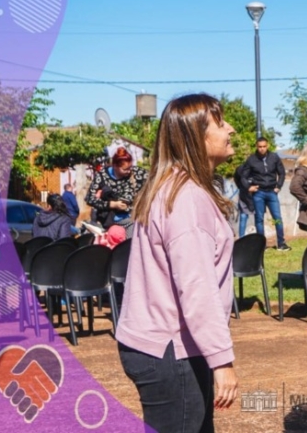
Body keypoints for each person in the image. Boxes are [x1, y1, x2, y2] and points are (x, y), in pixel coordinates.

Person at [115, 93, 239, 432]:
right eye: (220, 122)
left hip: (159, 343)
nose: (230, 128)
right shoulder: (187, 199)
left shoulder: (172, 188)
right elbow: (196, 289)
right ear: (196, 136)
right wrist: (221, 360)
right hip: (171, 347)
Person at [238, 137, 290, 251]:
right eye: (260, 147)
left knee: (277, 218)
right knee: (259, 219)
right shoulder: (251, 159)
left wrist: (279, 186)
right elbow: (243, 176)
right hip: (259, 193)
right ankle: (262, 245)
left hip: (272, 192)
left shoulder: (274, 157)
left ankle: (281, 243)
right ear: (256, 147)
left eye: (264, 146)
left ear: (268, 146)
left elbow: (281, 173)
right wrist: (249, 187)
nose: (262, 149)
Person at [85, 147, 148, 232]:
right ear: (115, 166)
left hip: (132, 218)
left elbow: (154, 179)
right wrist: (112, 204)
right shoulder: (102, 175)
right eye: (125, 169)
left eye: (130, 167)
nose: (129, 171)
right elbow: (90, 199)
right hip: (109, 222)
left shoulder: (137, 173)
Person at [233, 163, 255, 237]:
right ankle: (259, 236)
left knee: (243, 216)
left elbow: (236, 179)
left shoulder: (240, 168)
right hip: (251, 194)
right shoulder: (256, 167)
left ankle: (241, 237)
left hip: (245, 193)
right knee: (257, 217)